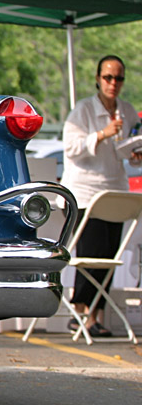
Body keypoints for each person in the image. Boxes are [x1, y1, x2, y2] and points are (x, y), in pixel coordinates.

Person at [62, 54, 142, 338]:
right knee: (91, 253)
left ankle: (95, 314)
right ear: (97, 78)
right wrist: (102, 133)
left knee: (109, 255)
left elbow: (131, 156)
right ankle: (81, 310)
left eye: (119, 78)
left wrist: (135, 154)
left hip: (115, 191)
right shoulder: (83, 110)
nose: (113, 83)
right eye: (108, 77)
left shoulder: (128, 109)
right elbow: (71, 148)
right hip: (85, 192)